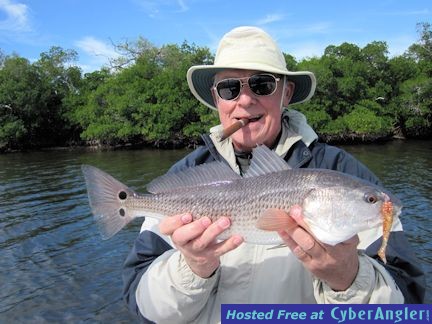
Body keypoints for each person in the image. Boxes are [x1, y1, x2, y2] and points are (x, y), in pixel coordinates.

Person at [122, 26, 425, 323]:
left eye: (262, 85)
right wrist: (192, 266)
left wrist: (348, 278)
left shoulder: (342, 172)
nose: (244, 100)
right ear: (217, 99)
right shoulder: (186, 176)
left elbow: (408, 308)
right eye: (229, 88)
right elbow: (144, 308)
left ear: (286, 93)